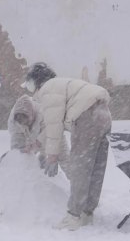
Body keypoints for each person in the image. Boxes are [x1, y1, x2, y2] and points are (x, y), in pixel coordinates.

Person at [22, 62, 112, 230]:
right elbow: (52, 125)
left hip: (87, 117)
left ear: (36, 82)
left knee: (80, 168)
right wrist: (37, 144)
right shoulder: (61, 84)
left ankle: (74, 216)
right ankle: (87, 213)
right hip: (103, 113)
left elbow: (54, 125)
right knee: (95, 168)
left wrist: (52, 156)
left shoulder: (48, 90)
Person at [7, 94, 69, 174]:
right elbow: (16, 142)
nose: (25, 124)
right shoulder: (13, 122)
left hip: (53, 132)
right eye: (22, 123)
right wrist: (16, 154)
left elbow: (52, 133)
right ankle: (31, 178)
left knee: (65, 160)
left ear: (31, 116)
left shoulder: (43, 112)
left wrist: (52, 156)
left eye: (26, 122)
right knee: (24, 154)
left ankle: (79, 183)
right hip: (33, 137)